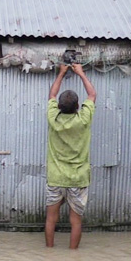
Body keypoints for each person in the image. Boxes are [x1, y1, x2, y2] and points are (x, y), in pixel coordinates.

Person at [44, 63, 97, 249]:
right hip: (78, 178)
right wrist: (81, 73)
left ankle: (49, 252)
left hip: (56, 177)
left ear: (58, 106)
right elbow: (92, 95)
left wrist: (61, 73)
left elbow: (51, 95)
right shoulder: (83, 119)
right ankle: (73, 255)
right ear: (77, 106)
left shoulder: (54, 118)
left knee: (51, 219)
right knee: (76, 221)